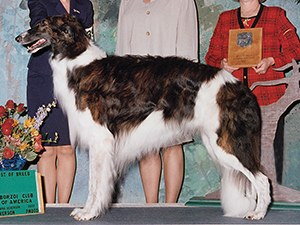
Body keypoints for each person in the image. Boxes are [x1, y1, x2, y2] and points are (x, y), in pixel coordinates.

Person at [205, 0, 300, 182]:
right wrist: (222, 65)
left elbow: (296, 49)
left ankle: (269, 196)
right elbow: (211, 56)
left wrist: (272, 61)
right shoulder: (225, 19)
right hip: (233, 99)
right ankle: (239, 198)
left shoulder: (276, 15)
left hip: (269, 99)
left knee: (268, 153)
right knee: (234, 154)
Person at [115, 0, 198, 203]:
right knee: (147, 148)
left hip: (171, 84)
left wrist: (183, 86)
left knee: (172, 144)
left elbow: (188, 48)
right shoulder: (127, 1)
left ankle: (170, 208)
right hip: (136, 87)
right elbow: (122, 49)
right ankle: (150, 207)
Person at [27, 0, 94, 203]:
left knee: (67, 148)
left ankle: (63, 208)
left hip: (74, 81)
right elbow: (40, 26)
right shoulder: (38, 1)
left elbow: (89, 40)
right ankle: (48, 207)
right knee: (46, 149)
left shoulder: (84, 5)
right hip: (44, 78)